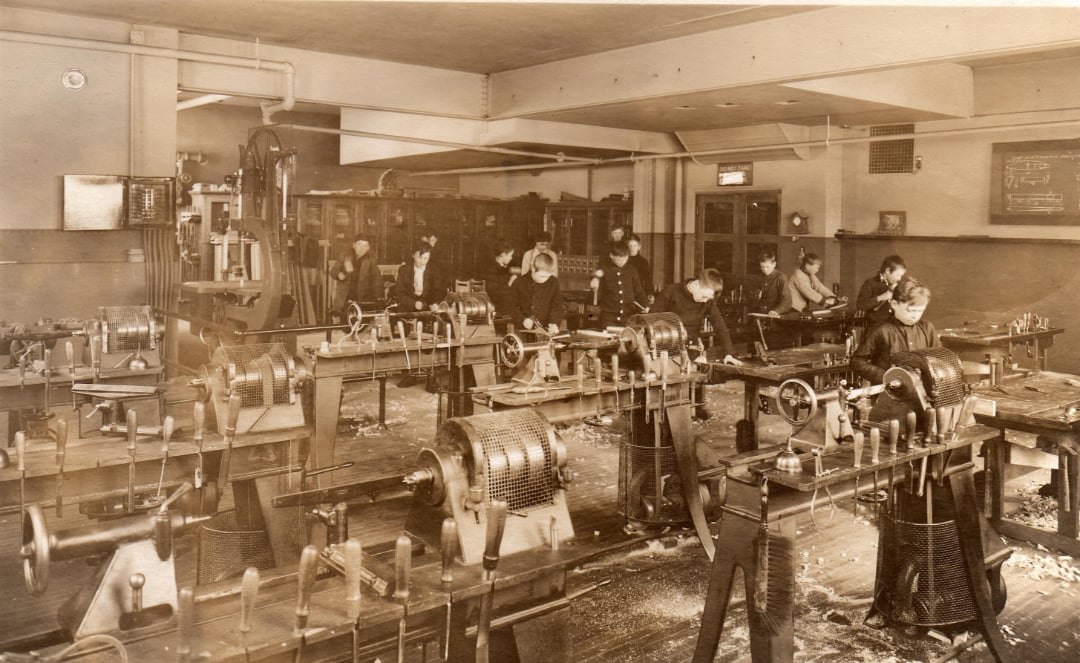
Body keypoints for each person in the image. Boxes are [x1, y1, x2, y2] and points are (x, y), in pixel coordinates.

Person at [652, 268, 742, 420]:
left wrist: (729, 353)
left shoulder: (707, 299)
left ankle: (695, 406)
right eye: (704, 296)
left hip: (691, 345)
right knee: (671, 384)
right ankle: (669, 412)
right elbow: (652, 319)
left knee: (697, 372)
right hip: (667, 346)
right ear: (696, 284)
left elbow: (720, 326)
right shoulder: (671, 292)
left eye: (709, 298)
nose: (705, 301)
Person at [851, 278, 939, 384]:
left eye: (920, 311)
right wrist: (887, 377)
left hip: (922, 393)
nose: (915, 315)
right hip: (889, 395)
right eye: (911, 310)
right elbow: (857, 362)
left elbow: (939, 359)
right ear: (894, 304)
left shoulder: (927, 328)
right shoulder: (882, 330)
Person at [591, 241, 647, 328]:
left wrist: (645, 305)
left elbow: (639, 292)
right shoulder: (605, 269)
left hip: (628, 317)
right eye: (619, 259)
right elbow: (596, 277)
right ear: (611, 256)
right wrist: (595, 280)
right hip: (609, 318)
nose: (622, 262)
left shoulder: (632, 270)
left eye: (625, 258)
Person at [508, 252, 564, 334]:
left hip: (545, 331)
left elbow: (557, 306)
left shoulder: (553, 282)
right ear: (533, 269)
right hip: (522, 330)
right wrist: (522, 320)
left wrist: (554, 323)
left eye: (547, 276)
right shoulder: (519, 282)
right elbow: (510, 306)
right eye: (542, 276)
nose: (545, 280)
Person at [331, 235, 382, 315]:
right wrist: (339, 275)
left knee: (361, 323)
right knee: (344, 322)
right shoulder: (345, 255)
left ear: (368, 248)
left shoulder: (371, 260)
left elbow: (377, 280)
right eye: (359, 244)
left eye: (365, 246)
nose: (362, 248)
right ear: (354, 245)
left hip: (362, 298)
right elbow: (333, 271)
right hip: (344, 297)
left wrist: (378, 299)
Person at [856, 254, 908, 330]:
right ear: (887, 271)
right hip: (875, 329)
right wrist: (881, 297)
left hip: (893, 329)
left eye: (901, 276)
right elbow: (860, 305)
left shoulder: (896, 285)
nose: (899, 278)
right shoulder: (870, 283)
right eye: (897, 275)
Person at [394, 243, 440, 313]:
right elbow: (399, 294)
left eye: (426, 258)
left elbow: (437, 291)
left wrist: (435, 303)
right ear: (412, 255)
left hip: (427, 308)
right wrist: (413, 303)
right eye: (419, 257)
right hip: (408, 307)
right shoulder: (404, 270)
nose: (422, 261)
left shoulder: (434, 270)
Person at [482, 241, 517, 316]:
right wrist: (510, 282)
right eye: (510, 255)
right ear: (503, 255)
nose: (511, 258)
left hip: (502, 304)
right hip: (497, 307)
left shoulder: (501, 268)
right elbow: (496, 293)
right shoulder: (494, 270)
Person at [755, 249, 792, 316]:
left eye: (767, 267)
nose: (765, 270)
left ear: (774, 264)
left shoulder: (781, 277)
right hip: (762, 313)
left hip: (776, 314)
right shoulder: (759, 277)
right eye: (762, 267)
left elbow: (787, 300)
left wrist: (777, 311)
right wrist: (756, 295)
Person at [418, 229, 450, 297]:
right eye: (431, 240)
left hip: (437, 280)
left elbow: (443, 269)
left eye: (434, 240)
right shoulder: (423, 250)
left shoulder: (437, 251)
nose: (433, 242)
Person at [626, 233, 655, 305]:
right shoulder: (623, 260)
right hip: (625, 293)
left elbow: (648, 280)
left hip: (639, 294)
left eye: (634, 246)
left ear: (639, 247)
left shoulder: (643, 262)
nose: (632, 248)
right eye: (630, 246)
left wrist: (650, 293)